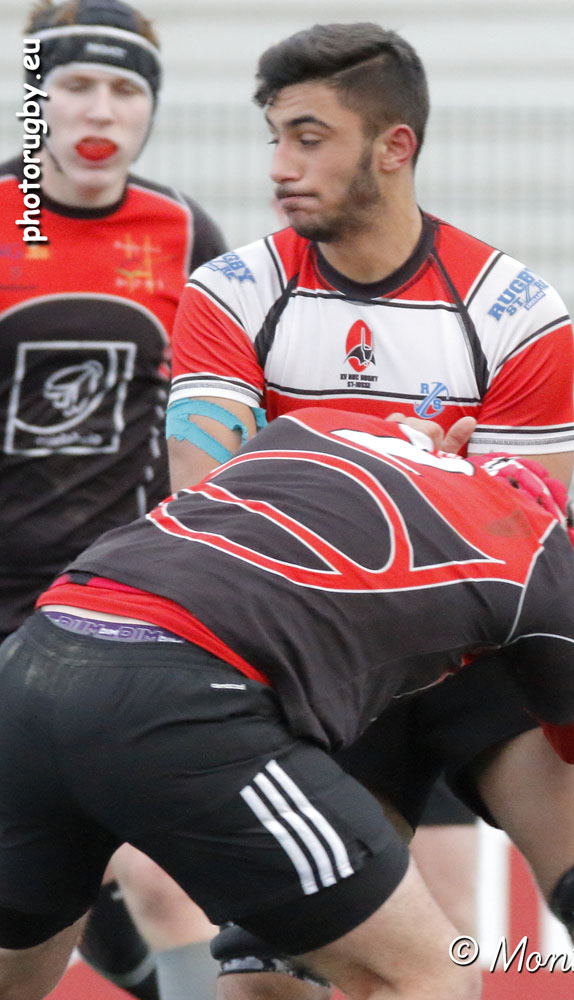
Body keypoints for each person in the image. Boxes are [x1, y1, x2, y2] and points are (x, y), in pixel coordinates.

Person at [163, 23, 574, 1000]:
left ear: (395, 146)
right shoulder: (231, 294)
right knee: (264, 987)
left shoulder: (512, 308)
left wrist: (320, 468)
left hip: (483, 663)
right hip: (325, 678)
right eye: (274, 137)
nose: (279, 166)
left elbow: (526, 547)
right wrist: (420, 473)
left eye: (310, 138)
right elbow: (206, 515)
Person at [0, 405, 574, 1000]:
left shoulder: (320, 425)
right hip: (182, 695)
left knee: (15, 980)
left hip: (38, 653)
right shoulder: (540, 551)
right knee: (427, 974)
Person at [0, 1, 226, 997]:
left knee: (164, 872)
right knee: (43, 889)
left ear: (151, 110)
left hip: (122, 599)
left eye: (127, 90)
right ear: (35, 105)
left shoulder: (184, 232)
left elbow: (227, 415)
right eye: (76, 86)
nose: (101, 110)